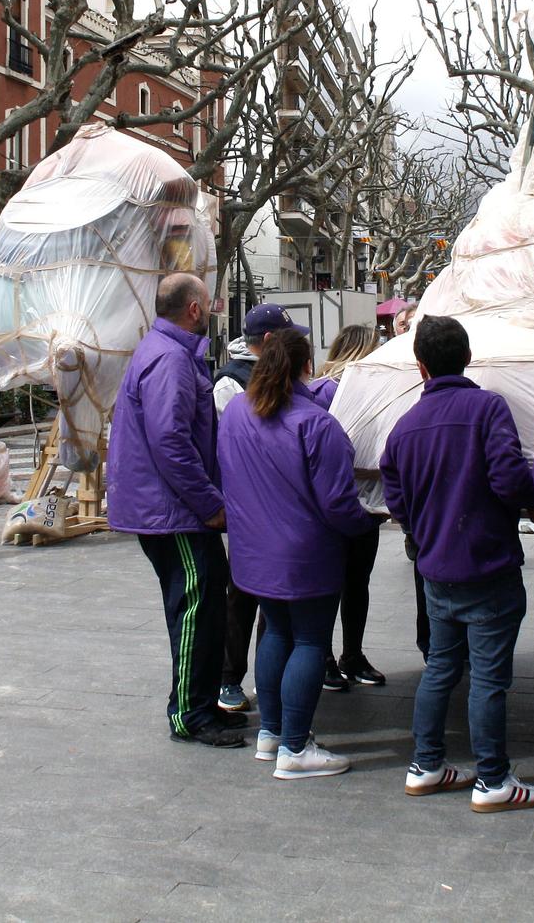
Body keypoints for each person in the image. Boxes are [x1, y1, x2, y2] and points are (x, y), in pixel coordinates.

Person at [381, 314, 534, 811]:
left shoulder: (405, 427)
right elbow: (507, 473)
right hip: (488, 566)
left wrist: (423, 528)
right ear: (468, 357)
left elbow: (396, 499)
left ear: (420, 367)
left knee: (440, 667)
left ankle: (426, 765)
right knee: (489, 678)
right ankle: (493, 780)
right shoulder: (486, 408)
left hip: (435, 569)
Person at [218, 328, 379, 778]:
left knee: (276, 635)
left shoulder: (235, 412)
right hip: (306, 552)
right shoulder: (316, 423)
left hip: (254, 550)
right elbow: (338, 502)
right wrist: (366, 523)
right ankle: (295, 747)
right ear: (307, 366)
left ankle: (272, 735)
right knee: (308, 640)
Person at [107, 272, 246, 748]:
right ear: (192, 309)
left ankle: (203, 703)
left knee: (207, 608)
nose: (211, 311)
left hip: (175, 509)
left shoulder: (169, 352)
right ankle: (189, 712)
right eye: (208, 304)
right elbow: (171, 441)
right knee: (195, 608)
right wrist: (209, 505)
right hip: (176, 513)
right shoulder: (169, 358)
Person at [212, 302, 299, 713]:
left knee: (273, 602)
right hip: (246, 503)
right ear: (268, 341)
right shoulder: (230, 383)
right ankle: (230, 679)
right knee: (241, 594)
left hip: (274, 503)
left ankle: (269, 679)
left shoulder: (286, 378)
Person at [308, 324, 389, 691]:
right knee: (341, 582)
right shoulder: (326, 391)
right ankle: (329, 656)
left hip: (361, 502)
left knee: (356, 581)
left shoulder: (353, 389)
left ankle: (348, 655)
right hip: (340, 500)